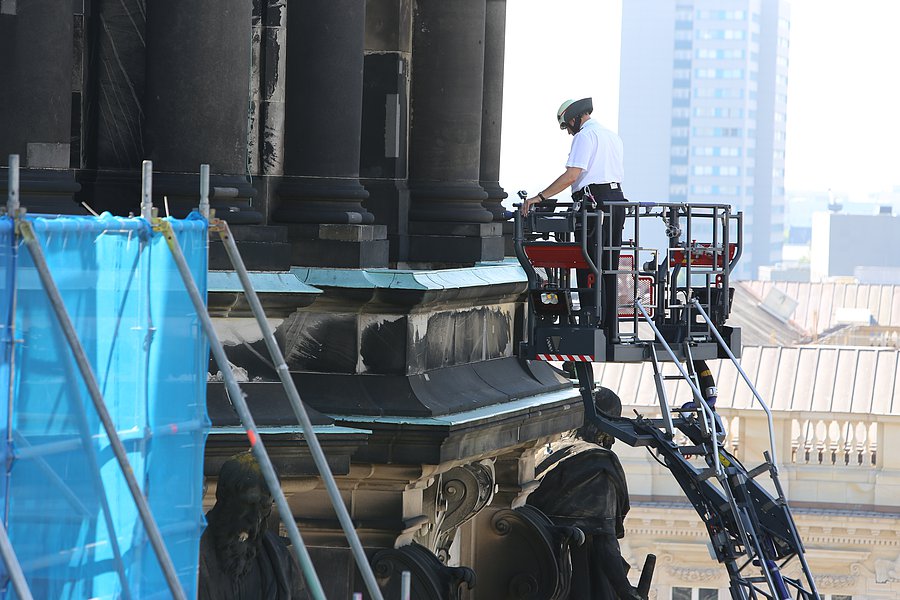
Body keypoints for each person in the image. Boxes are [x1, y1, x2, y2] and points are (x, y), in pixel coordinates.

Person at [521, 98, 626, 343]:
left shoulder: (584, 137)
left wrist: (540, 197)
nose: (569, 132)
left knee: (587, 264)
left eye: (567, 127)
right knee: (609, 267)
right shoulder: (612, 136)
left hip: (594, 204)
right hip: (617, 202)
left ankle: (590, 327)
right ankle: (610, 331)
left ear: (573, 119)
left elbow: (572, 175)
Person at [527, 387, 643, 600]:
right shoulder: (597, 465)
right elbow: (604, 540)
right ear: (601, 424)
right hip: (578, 577)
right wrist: (626, 591)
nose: (613, 439)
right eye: (612, 426)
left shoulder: (544, 454)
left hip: (535, 572)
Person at [199, 452, 309, 599]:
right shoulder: (192, 551)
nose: (255, 518)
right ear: (224, 496)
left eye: (264, 506)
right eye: (248, 504)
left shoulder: (277, 556)